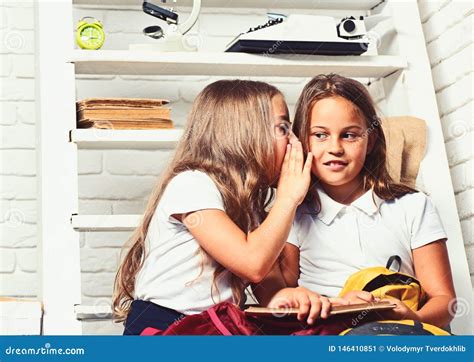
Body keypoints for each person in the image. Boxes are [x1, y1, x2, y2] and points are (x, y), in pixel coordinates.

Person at [112, 80, 326, 335]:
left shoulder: (250, 208)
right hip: (165, 328)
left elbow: (272, 293)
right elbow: (253, 263)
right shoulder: (192, 184)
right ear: (245, 135)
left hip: (213, 327)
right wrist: (289, 199)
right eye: (283, 128)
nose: (293, 141)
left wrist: (310, 299)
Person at [257, 74, 457, 329]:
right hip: (326, 336)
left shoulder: (413, 205)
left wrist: (413, 318)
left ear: (370, 140)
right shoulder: (292, 214)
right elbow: (276, 295)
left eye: (349, 135)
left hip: (399, 335)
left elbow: (444, 301)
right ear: (302, 142)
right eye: (320, 135)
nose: (335, 148)